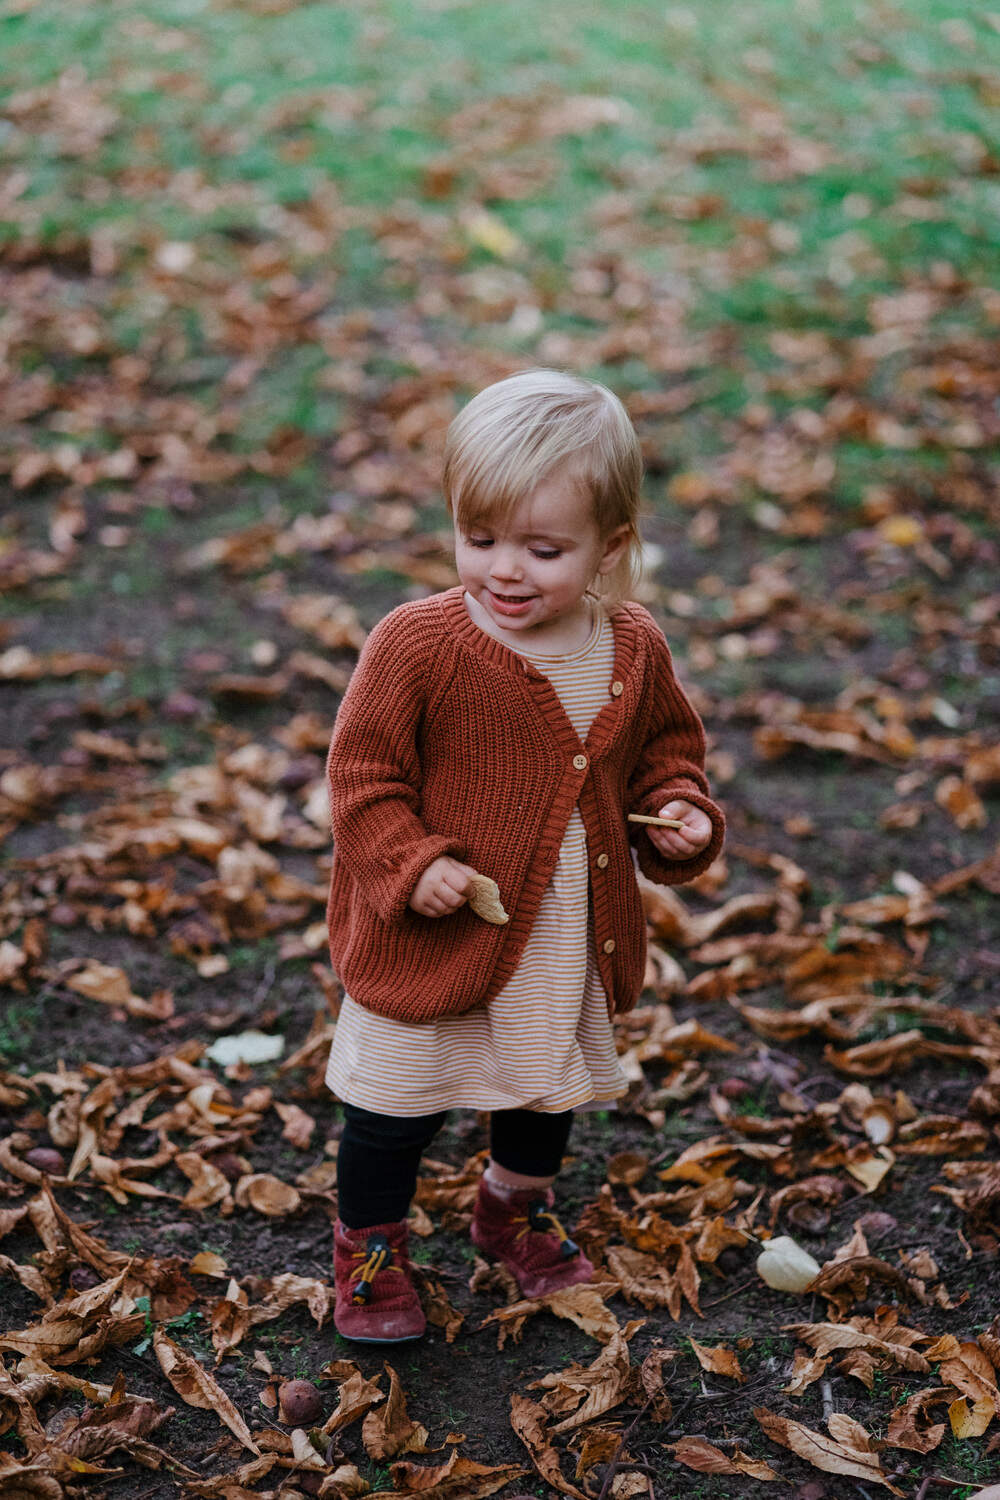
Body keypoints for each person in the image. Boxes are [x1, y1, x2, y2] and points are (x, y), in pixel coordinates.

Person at [324, 368, 725, 1342]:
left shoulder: (629, 647)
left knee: (544, 1084)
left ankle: (513, 1208)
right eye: (480, 538)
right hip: (429, 934)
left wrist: (680, 813)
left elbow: (665, 756)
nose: (505, 569)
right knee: (394, 1102)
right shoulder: (417, 644)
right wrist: (412, 864)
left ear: (609, 547)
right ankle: (369, 1250)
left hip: (558, 931)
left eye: (543, 550)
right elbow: (362, 777)